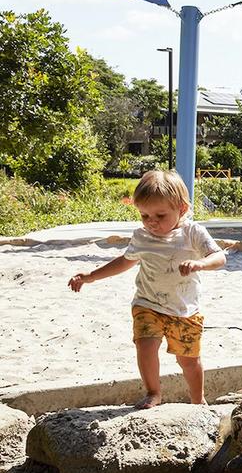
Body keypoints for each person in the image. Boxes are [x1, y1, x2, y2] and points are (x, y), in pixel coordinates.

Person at [68, 170, 226, 408]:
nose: (151, 221)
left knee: (188, 360)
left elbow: (219, 257)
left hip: (184, 310)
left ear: (181, 209)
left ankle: (197, 399)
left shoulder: (193, 233)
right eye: (144, 215)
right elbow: (125, 261)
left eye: (160, 215)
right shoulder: (142, 237)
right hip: (147, 304)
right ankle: (154, 393)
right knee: (145, 345)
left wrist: (200, 264)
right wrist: (91, 276)